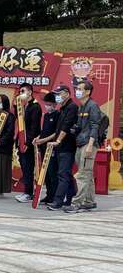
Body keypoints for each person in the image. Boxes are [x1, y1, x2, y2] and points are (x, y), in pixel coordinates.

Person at [68, 81, 101, 212]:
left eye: (80, 89)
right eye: (76, 88)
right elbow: (80, 125)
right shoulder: (81, 106)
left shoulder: (93, 106)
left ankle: (76, 203)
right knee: (87, 174)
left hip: (89, 144)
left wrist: (90, 145)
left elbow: (95, 126)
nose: (77, 91)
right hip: (80, 143)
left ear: (87, 92)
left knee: (83, 174)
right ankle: (89, 201)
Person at [47, 85, 78, 211]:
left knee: (62, 174)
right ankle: (71, 197)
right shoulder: (63, 108)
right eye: (56, 94)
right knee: (65, 173)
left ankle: (58, 201)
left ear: (66, 93)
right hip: (60, 146)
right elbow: (58, 129)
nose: (57, 96)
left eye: (59, 94)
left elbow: (66, 126)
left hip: (67, 146)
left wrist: (58, 140)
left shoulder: (72, 107)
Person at [15, 83, 42, 203]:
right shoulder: (23, 106)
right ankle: (27, 192)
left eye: (23, 91)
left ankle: (29, 193)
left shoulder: (35, 107)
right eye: (20, 92)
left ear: (30, 92)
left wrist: (27, 143)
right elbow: (20, 122)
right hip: (21, 141)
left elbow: (34, 127)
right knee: (24, 167)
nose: (21, 94)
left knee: (28, 167)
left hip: (29, 143)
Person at [33, 93, 60, 204]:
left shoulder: (58, 115)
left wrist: (44, 140)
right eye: (46, 104)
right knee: (46, 173)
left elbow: (56, 133)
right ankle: (49, 195)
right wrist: (37, 138)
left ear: (55, 104)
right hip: (44, 147)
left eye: (49, 104)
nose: (47, 106)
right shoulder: (46, 115)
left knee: (53, 172)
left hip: (52, 147)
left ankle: (55, 196)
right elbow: (44, 131)